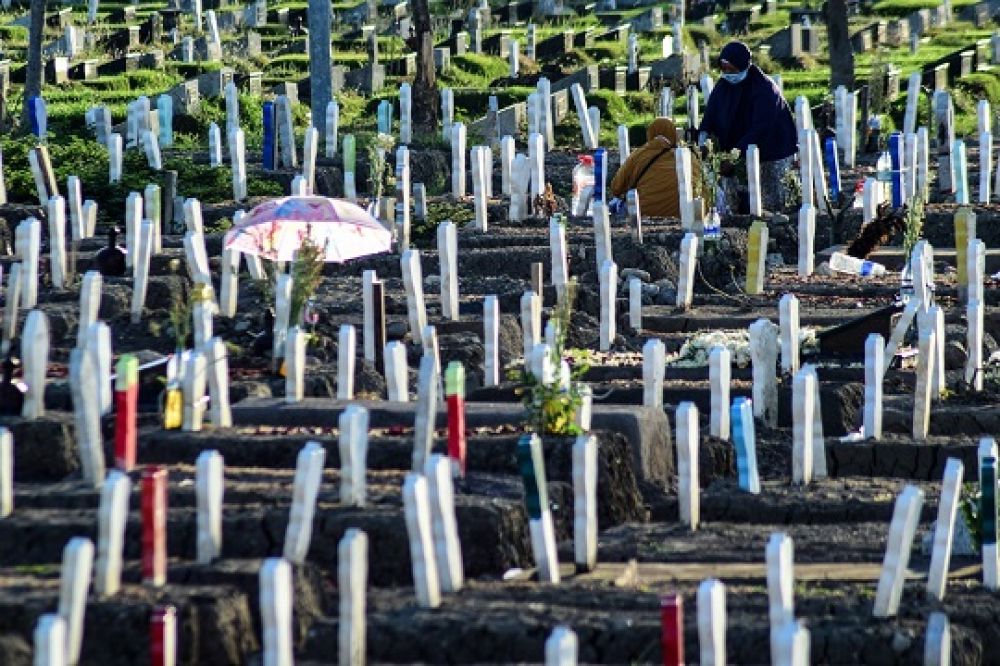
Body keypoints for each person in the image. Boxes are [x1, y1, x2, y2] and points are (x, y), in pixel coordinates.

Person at [698, 41, 798, 212]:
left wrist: (734, 155)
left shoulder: (765, 90)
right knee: (736, 201)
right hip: (737, 150)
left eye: (732, 69)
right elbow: (711, 115)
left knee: (771, 202)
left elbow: (761, 128)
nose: (728, 73)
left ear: (743, 65)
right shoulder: (723, 87)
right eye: (724, 69)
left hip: (772, 151)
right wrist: (703, 137)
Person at [609, 117, 702, 219]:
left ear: (650, 133)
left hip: (643, 210)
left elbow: (616, 188)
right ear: (674, 134)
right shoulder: (688, 156)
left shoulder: (639, 154)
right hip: (683, 211)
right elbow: (699, 184)